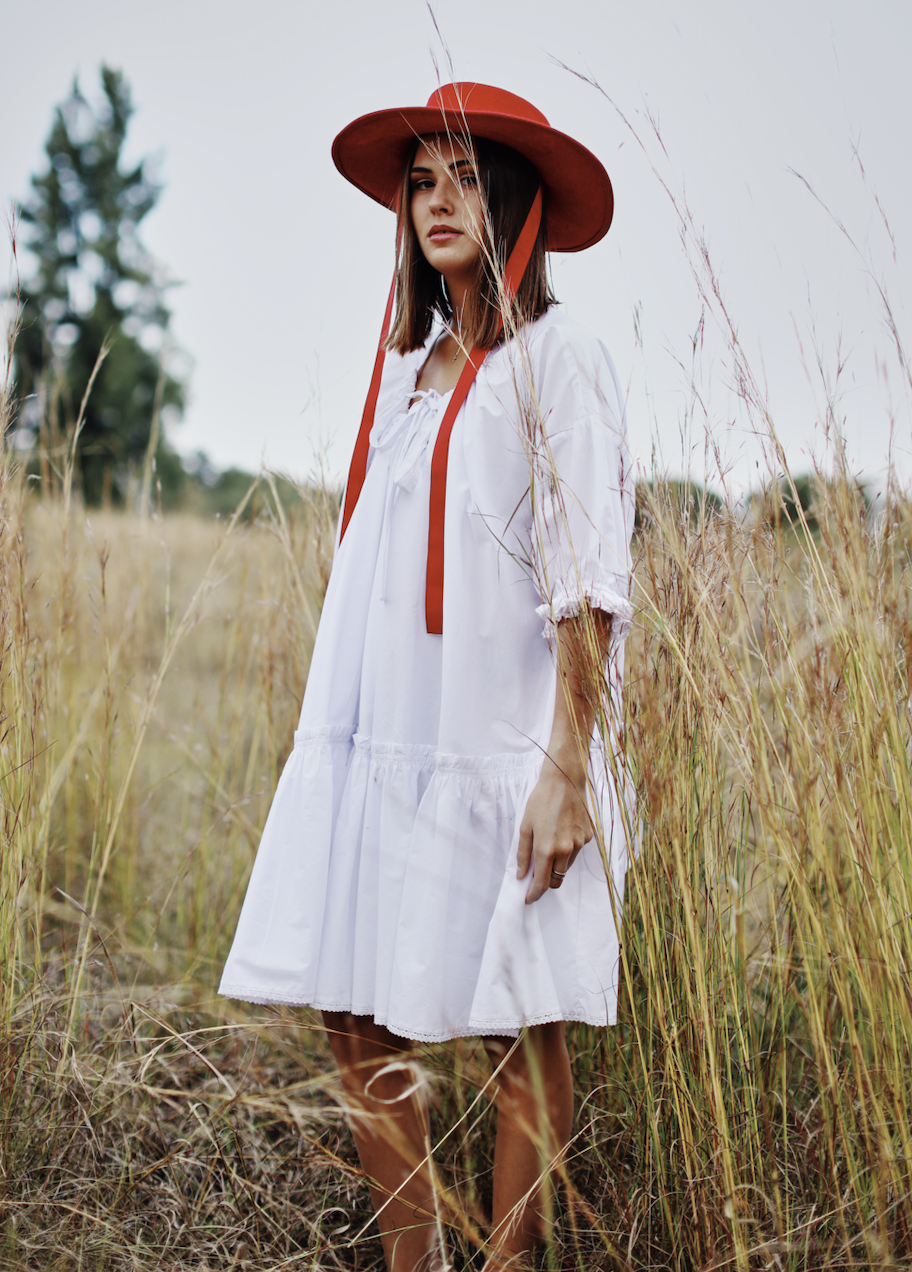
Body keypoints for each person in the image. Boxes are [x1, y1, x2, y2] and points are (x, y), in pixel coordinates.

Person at [219, 82, 635, 1272]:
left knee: (513, 1015)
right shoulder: (405, 376)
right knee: (353, 1012)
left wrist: (567, 762)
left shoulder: (562, 359)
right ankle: (417, 1261)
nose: (437, 199)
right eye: (420, 180)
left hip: (494, 739)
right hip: (376, 740)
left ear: (515, 200)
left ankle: (506, 1262)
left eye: (464, 176)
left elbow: (587, 575)